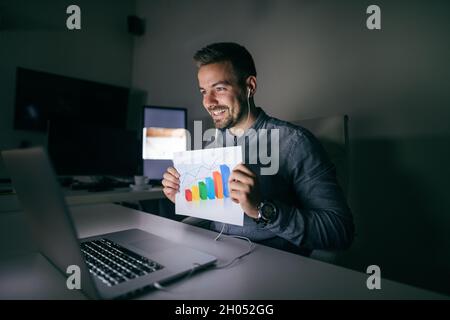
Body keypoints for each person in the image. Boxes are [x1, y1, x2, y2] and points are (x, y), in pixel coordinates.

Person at [162, 42, 354, 256]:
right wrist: (186, 198)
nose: (208, 102)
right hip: (215, 258)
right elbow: (216, 212)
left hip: (268, 269)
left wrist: (261, 209)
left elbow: (339, 231)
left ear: (250, 86)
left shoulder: (294, 143)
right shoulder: (214, 144)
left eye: (220, 88)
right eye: (204, 91)